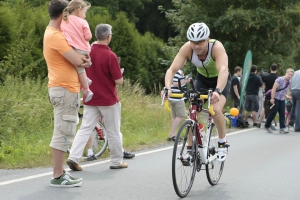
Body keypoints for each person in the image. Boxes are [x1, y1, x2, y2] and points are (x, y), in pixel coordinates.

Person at [66, 23, 129, 173]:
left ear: (95, 35)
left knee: (85, 128)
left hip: (90, 97)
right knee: (113, 130)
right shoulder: (110, 55)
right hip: (108, 99)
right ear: (109, 37)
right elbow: (118, 81)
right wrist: (120, 73)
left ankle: (74, 157)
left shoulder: (87, 52)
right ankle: (116, 160)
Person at [164, 22, 231, 162]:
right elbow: (171, 70)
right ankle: (190, 151)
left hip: (220, 80)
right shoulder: (187, 48)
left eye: (200, 42)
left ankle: (222, 142)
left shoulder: (216, 47)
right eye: (193, 42)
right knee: (193, 110)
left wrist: (218, 91)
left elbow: (223, 70)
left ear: (207, 39)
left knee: (216, 109)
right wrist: (167, 88)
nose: (196, 46)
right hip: (202, 80)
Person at [44, 0, 91, 187]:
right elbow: (78, 60)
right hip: (64, 89)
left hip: (63, 88)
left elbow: (79, 60)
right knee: (63, 132)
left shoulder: (54, 33)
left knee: (64, 130)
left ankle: (60, 173)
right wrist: (85, 62)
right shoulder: (56, 36)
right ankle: (58, 175)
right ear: (63, 13)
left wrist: (83, 61)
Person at [61, 0, 93, 103]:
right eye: (84, 12)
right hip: (85, 49)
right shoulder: (83, 22)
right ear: (79, 10)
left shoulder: (64, 20)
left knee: (80, 70)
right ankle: (86, 87)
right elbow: (88, 37)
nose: (85, 16)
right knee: (81, 69)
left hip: (74, 48)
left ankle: (86, 86)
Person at [265, 68, 294, 133]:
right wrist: (272, 98)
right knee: (273, 112)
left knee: (282, 113)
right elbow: (274, 89)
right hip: (276, 97)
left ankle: (282, 128)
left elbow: (285, 91)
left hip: (282, 99)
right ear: (286, 73)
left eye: (291, 75)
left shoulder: (289, 82)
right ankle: (267, 125)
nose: (290, 76)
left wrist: (287, 96)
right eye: (289, 74)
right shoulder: (280, 79)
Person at [167, 68, 190, 141]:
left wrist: (184, 78)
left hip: (173, 97)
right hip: (178, 97)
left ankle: (173, 134)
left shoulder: (175, 71)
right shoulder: (177, 71)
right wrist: (186, 81)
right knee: (181, 115)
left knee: (175, 116)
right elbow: (175, 83)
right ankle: (172, 133)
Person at [262, 63, 279, 130]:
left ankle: (262, 121)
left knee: (266, 108)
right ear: (276, 69)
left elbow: (262, 82)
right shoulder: (278, 78)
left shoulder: (266, 76)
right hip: (274, 94)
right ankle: (270, 123)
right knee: (272, 109)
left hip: (267, 93)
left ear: (270, 68)